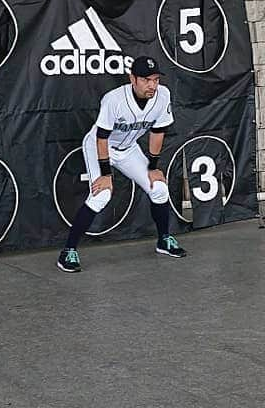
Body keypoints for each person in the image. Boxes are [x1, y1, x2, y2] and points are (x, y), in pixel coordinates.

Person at [57, 55, 187, 272]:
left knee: (159, 188)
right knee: (102, 195)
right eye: (146, 80)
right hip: (100, 146)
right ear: (132, 79)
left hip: (129, 149)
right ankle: (68, 251)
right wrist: (105, 174)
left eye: (155, 79)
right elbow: (101, 137)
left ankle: (164, 239)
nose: (152, 85)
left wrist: (153, 167)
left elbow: (158, 131)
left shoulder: (163, 95)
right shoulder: (114, 99)